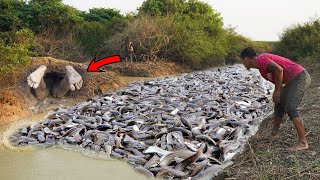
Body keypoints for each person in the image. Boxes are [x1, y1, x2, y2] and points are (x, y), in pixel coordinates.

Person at [240, 47, 311, 151]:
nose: (243, 64)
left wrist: (277, 91)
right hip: (292, 81)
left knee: (290, 108)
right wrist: (279, 95)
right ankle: (274, 134)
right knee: (278, 104)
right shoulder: (261, 70)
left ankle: (303, 142)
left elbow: (279, 69)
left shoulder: (261, 59)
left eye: (242, 61)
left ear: (246, 58)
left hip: (299, 77)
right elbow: (279, 80)